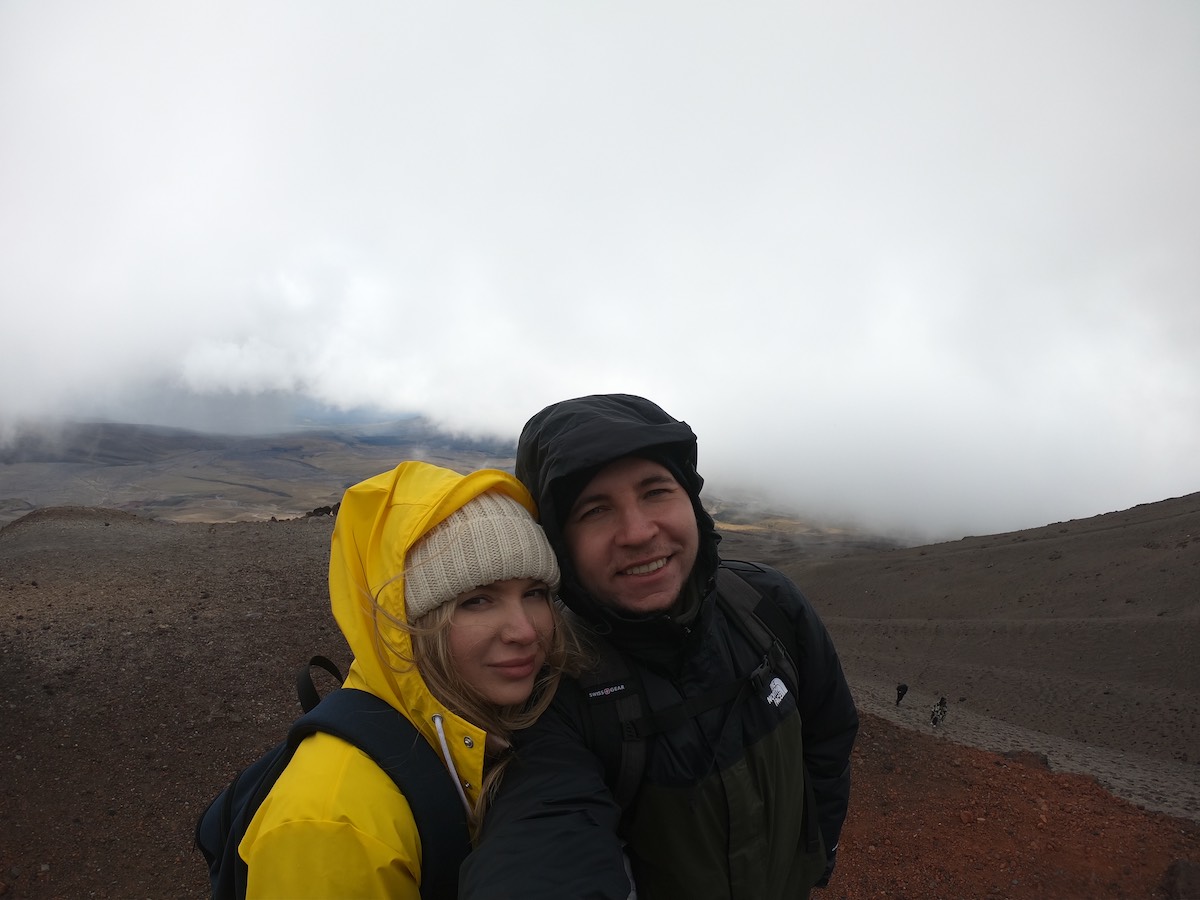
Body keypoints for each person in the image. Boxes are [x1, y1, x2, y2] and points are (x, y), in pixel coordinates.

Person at [460, 393, 859, 899]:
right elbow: (543, 835)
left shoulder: (769, 606)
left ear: (691, 501)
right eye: (594, 510)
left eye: (656, 491)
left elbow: (829, 737)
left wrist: (816, 854)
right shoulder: (552, 686)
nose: (638, 532)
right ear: (559, 544)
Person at [238, 461, 578, 899]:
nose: (526, 631)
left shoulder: (481, 720)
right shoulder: (334, 822)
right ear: (406, 621)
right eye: (477, 601)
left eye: (534, 593)